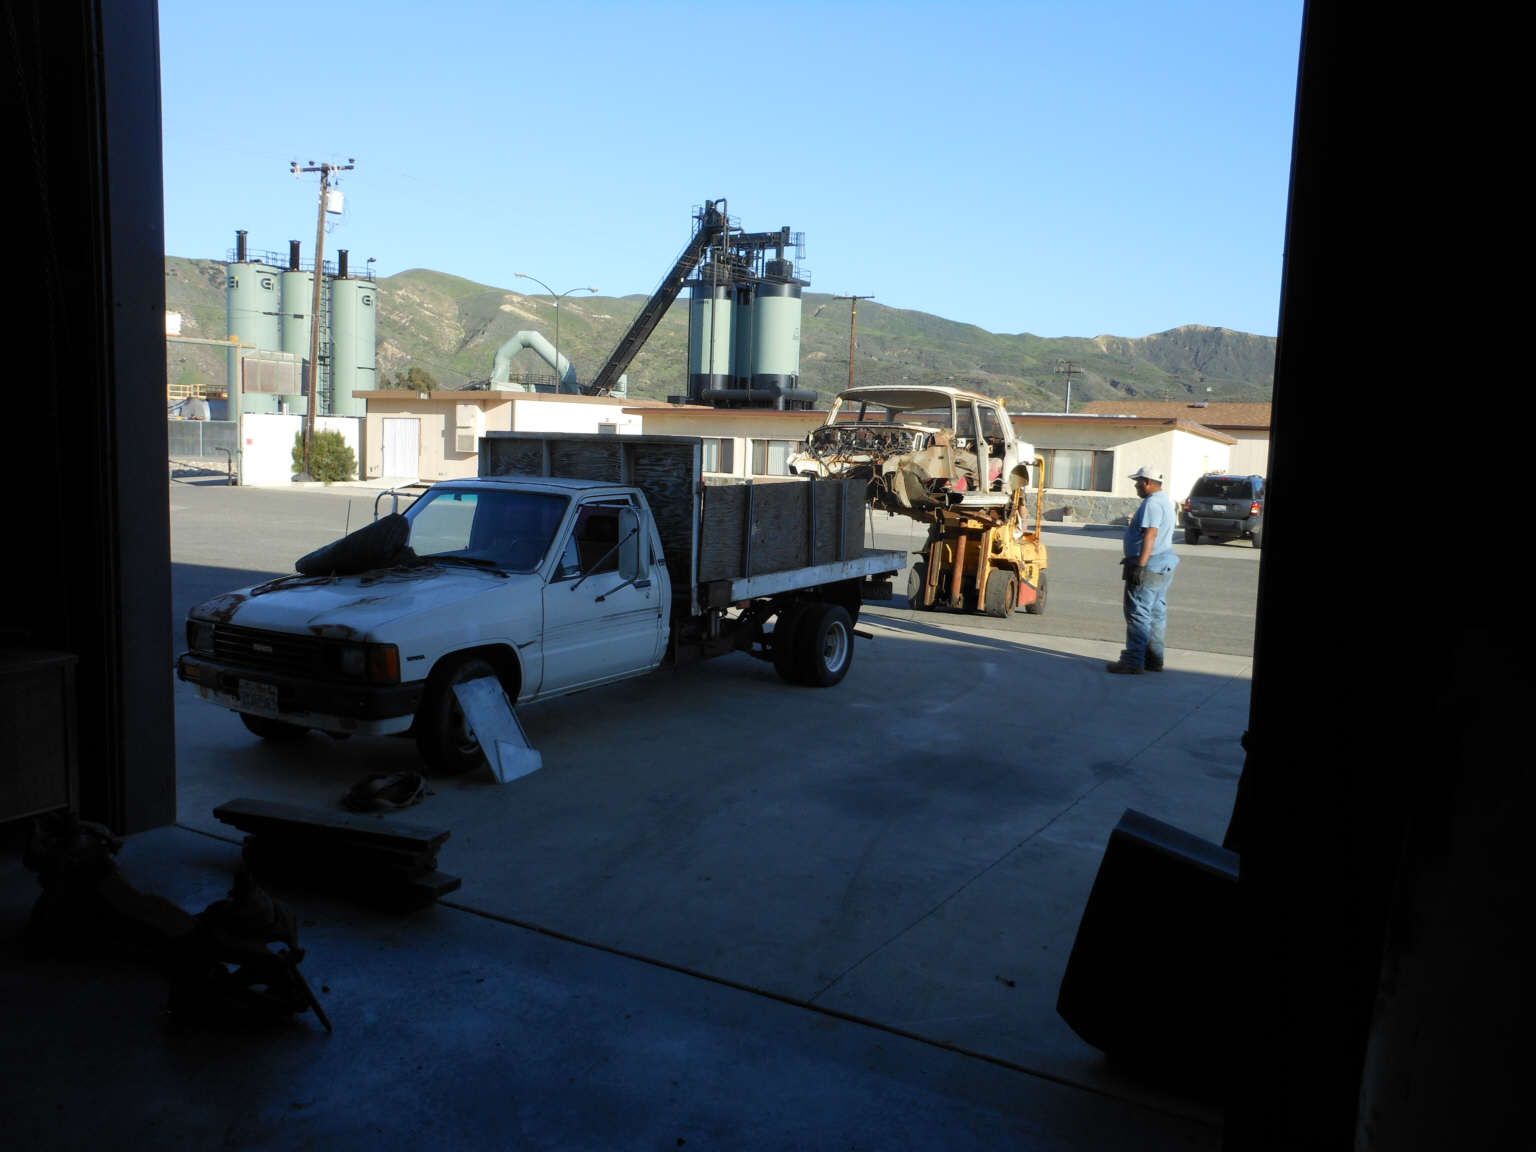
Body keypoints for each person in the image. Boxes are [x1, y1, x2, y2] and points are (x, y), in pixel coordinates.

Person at [1107, 466, 1180, 675]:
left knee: (1138, 612)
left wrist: (1140, 564)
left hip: (1149, 565)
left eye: (1138, 482)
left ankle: (1133, 661)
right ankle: (1154, 658)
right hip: (1163, 564)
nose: (1136, 485)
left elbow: (1151, 534)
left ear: (1147, 482)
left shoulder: (1152, 504)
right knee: (1156, 612)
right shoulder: (1166, 501)